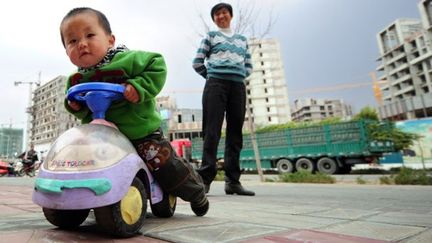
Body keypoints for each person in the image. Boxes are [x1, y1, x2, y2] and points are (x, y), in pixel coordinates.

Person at [60, 7, 209, 216]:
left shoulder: (128, 60)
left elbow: (157, 65)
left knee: (165, 165)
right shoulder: (75, 80)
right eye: (72, 41)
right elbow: (72, 99)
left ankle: (195, 191)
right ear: (66, 51)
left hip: (141, 134)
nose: (82, 43)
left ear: (110, 40)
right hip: (102, 141)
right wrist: (73, 105)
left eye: (90, 35)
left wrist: (138, 87)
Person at [192, 3, 255, 196]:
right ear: (214, 19)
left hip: (238, 87)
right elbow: (197, 62)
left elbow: (249, 66)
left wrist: (238, 76)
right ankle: (205, 180)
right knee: (212, 132)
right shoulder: (211, 37)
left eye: (224, 12)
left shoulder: (242, 40)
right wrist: (212, 76)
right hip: (215, 86)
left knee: (235, 133)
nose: (221, 16)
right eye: (217, 14)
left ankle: (233, 182)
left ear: (230, 15)